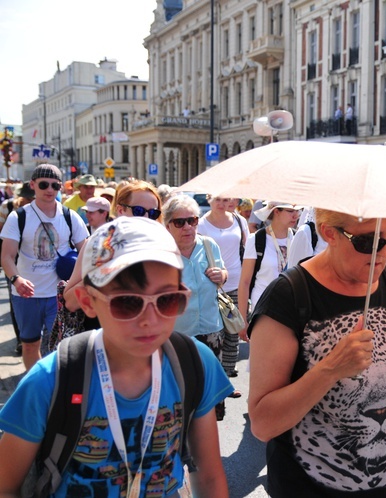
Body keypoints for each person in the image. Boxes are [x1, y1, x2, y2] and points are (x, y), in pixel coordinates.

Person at [0, 216, 233, 497]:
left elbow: (208, 477)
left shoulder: (195, 362)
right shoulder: (51, 379)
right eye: (127, 302)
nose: (150, 319)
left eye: (167, 299)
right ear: (88, 302)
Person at [247, 209, 386, 496]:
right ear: (329, 232)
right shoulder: (288, 296)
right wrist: (330, 369)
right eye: (368, 243)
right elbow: (262, 423)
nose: (383, 253)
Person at [0, 164, 88, 370]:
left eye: (55, 185)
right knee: (30, 345)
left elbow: (87, 250)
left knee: (60, 347)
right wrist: (16, 279)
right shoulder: (18, 217)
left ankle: (57, 390)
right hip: (25, 295)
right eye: (44, 184)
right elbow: (6, 256)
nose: (49, 189)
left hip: (59, 295)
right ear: (33, 185)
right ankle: (36, 385)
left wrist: (77, 282)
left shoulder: (70, 216)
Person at [164, 195, 238, 418]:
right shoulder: (162, 252)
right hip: (177, 333)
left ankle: (205, 442)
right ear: (167, 225)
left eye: (192, 220)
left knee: (208, 393)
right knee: (179, 393)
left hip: (211, 329)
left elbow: (223, 273)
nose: (187, 227)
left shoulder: (208, 244)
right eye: (180, 222)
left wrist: (221, 275)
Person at [63, 179, 163, 312]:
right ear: (120, 210)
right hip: (102, 328)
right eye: (138, 211)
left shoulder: (163, 248)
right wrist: (104, 270)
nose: (146, 218)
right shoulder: (96, 245)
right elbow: (70, 302)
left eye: (153, 213)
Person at [197, 195, 250, 378]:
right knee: (216, 332)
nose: (222, 204)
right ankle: (217, 376)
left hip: (236, 282)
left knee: (233, 329)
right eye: (218, 199)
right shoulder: (201, 225)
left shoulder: (239, 221)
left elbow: (247, 248)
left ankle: (228, 373)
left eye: (226, 199)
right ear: (209, 200)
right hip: (212, 285)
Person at [237, 202, 301, 341]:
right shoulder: (257, 239)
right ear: (276, 211)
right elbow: (244, 282)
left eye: (298, 210)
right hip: (262, 308)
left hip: (291, 309)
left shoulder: (299, 238)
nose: (296, 215)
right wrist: (243, 319)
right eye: (290, 211)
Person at [0, 181, 35, 355]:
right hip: (13, 260)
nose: (30, 200)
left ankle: (34, 337)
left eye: (32, 197)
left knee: (35, 296)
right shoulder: (7, 207)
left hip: (33, 261)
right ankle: (22, 339)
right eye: (28, 197)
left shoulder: (42, 211)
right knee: (16, 299)